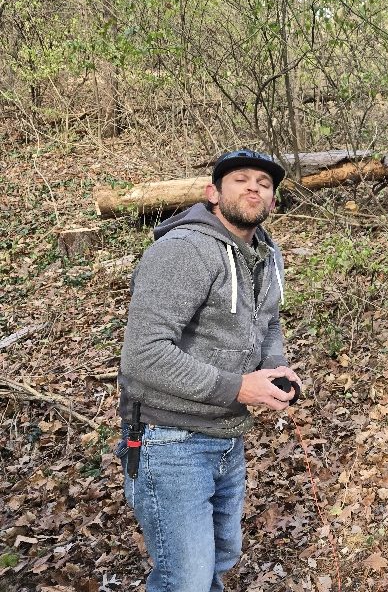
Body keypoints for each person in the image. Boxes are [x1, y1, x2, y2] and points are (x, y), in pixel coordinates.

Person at [116, 148, 302, 592]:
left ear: (273, 200)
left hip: (226, 437)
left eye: (264, 183)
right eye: (240, 179)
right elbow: (142, 355)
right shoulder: (184, 250)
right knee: (186, 580)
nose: (254, 187)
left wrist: (275, 366)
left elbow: (268, 321)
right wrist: (238, 387)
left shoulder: (266, 255)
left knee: (218, 561)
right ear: (212, 193)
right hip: (168, 440)